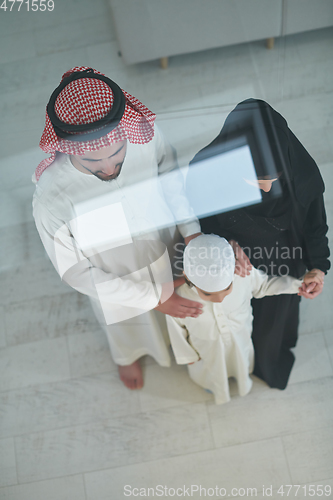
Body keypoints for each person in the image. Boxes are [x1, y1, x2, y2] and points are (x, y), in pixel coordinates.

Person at [32, 66, 203, 390]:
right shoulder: (51, 199)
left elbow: (170, 176)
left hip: (167, 247)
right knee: (128, 326)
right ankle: (128, 357)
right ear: (69, 148)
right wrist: (153, 297)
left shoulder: (144, 135)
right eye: (93, 163)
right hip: (114, 277)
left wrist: (191, 230)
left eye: (116, 154)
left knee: (180, 304)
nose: (109, 167)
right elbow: (75, 272)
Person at [188, 99, 330, 389]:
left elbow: (314, 224)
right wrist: (225, 246)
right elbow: (197, 226)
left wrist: (318, 267)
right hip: (233, 267)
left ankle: (264, 365)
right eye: (254, 180)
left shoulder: (299, 170)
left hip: (285, 259)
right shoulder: (205, 173)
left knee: (272, 326)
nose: (266, 188)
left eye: (274, 178)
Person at [166, 234, 323, 404]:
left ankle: (240, 379)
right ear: (188, 277)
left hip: (239, 339)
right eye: (207, 294)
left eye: (227, 288)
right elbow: (175, 328)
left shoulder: (242, 276)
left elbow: (264, 285)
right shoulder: (180, 299)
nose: (219, 299)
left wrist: (298, 286)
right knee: (209, 370)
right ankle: (214, 386)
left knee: (240, 361)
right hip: (205, 349)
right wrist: (187, 355)